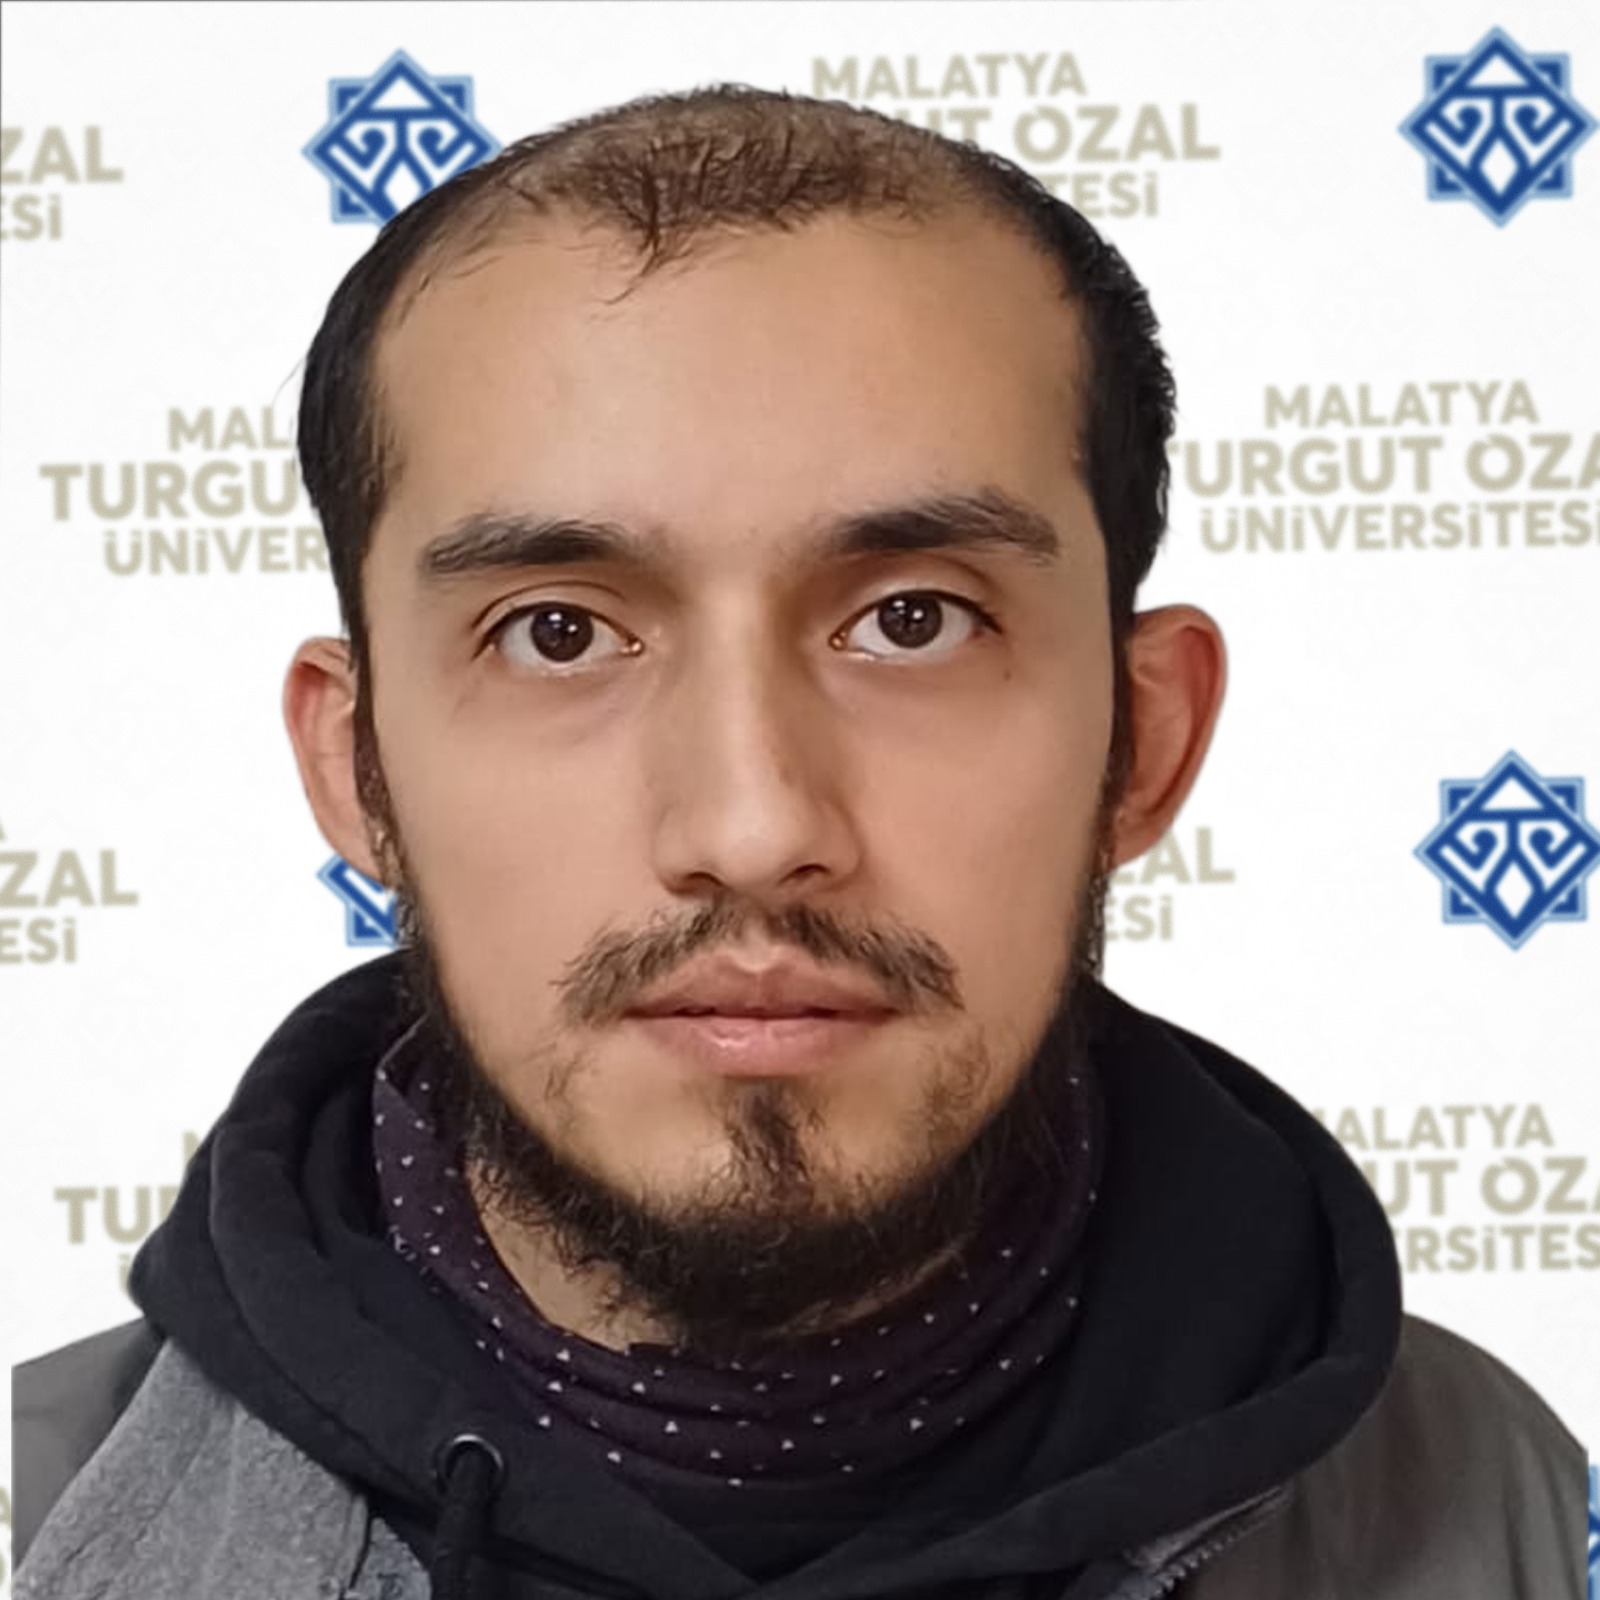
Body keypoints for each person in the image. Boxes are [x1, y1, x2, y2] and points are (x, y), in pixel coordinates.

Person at [12, 86, 1585, 1600]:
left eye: (915, 621)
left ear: (1146, 740)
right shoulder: (34, 1518)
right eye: (559, 632)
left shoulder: (1511, 1513)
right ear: (356, 767)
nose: (754, 827)